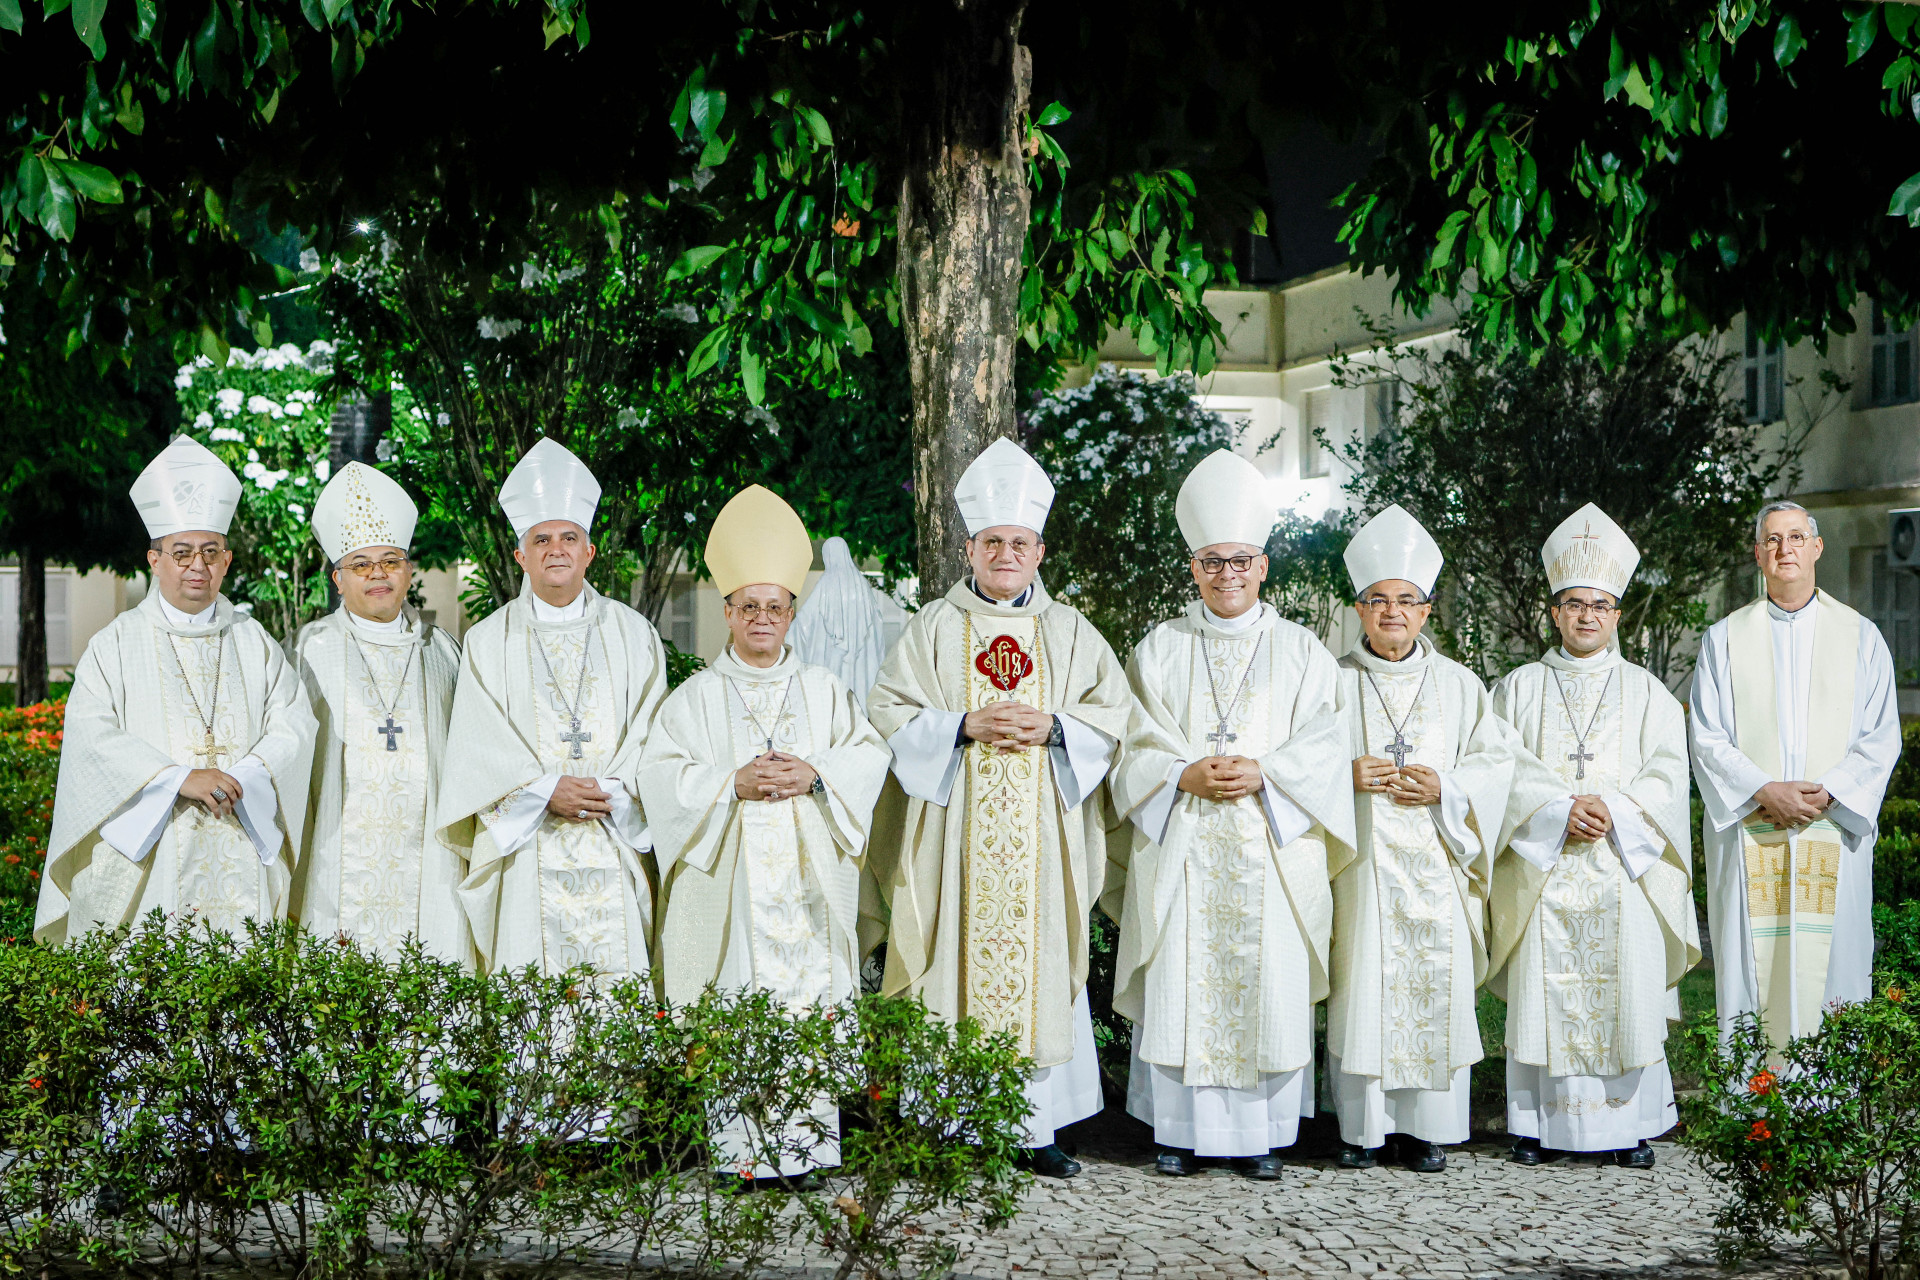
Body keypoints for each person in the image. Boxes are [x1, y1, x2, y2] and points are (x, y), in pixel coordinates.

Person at [866, 438, 1133, 1179]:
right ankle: (955, 1125)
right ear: (969, 548)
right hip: (955, 839)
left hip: (1041, 835)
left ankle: (1033, 1130)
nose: (1006, 553)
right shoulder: (930, 628)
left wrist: (1055, 728)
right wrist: (959, 725)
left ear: (1040, 551)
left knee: (1040, 963)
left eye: (1019, 542)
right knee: (953, 965)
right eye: (993, 542)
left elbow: (1115, 717)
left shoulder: (1072, 631)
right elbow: (887, 710)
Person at [1107, 450, 1357, 1180]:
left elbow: (1324, 744)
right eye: (1212, 562)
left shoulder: (1304, 652)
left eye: (1240, 560)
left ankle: (1261, 1137)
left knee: (1266, 981)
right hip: (1185, 842)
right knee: (1184, 978)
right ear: (1193, 568)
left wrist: (1266, 772)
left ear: (1263, 566)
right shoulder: (1160, 650)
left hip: (1269, 848)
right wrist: (1181, 771)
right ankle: (1177, 1134)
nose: (1227, 574)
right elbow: (1133, 745)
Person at [642, 486, 891, 1179]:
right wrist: (731, 783)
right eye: (746, 606)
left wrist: (814, 772)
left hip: (806, 889)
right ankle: (737, 1154)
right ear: (726, 612)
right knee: (737, 991)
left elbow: (868, 756)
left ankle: (806, 1152)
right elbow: (660, 776)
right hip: (734, 888)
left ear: (792, 614)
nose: (760, 618)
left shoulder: (824, 690)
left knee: (806, 996)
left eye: (773, 606)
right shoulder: (694, 698)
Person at [36, 437, 317, 944]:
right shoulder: (115, 644)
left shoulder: (254, 641)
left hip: (239, 839)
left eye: (210, 553)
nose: (197, 566)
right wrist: (176, 779)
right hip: (152, 858)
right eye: (182, 552)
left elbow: (294, 723)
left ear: (227, 562)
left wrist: (245, 775)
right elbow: (91, 736)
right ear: (154, 560)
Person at [1489, 504, 1699, 1169]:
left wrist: (1611, 810)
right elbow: (1501, 768)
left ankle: (1626, 1127)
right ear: (1554, 612)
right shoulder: (1517, 690)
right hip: (1546, 873)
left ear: (1617, 614)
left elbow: (1669, 772)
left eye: (1600, 605)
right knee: (1546, 989)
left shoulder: (1647, 694)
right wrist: (1555, 810)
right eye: (1574, 603)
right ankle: (1537, 1127)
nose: (1586, 615)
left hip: (1620, 870)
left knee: (1624, 987)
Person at [436, 438, 669, 978]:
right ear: (521, 555)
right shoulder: (488, 641)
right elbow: (477, 746)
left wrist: (609, 791)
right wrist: (545, 792)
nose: (556, 549)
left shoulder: (635, 635)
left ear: (590, 552)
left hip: (614, 837)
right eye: (541, 539)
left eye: (570, 537)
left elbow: (656, 733)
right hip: (528, 850)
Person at [1327, 504, 1515, 1173]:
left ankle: (1427, 1128)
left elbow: (1498, 769)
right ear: (1359, 608)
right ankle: (1363, 1130)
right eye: (1378, 600)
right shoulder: (1333, 682)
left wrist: (1447, 790)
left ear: (1428, 610)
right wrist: (1343, 774)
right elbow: (1299, 760)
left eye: (1406, 600)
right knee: (1365, 986)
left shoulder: (1460, 686)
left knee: (1433, 984)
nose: (1392, 613)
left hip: (1438, 863)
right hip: (1363, 867)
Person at [1690, 500, 1901, 1052]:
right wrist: (1763, 790)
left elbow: (1881, 737)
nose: (1785, 549)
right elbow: (1707, 737)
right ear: (1759, 555)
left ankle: (1826, 1112)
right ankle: (1753, 1110)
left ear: (1816, 548)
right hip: (1753, 827)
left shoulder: (1861, 637)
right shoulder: (1722, 640)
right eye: (1773, 541)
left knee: (1831, 970)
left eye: (1795, 538)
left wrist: (1829, 791)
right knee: (1753, 972)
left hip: (1830, 828)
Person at [292, 462, 470, 962]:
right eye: (361, 564)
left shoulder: (444, 652)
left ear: (409, 571)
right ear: (337, 577)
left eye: (390, 561)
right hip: (334, 856)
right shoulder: (310, 650)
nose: (377, 574)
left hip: (430, 863)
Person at [790, 536, 899, 710]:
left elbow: (805, 619)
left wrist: (787, 633)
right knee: (858, 697)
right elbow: (877, 623)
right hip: (861, 663)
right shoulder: (862, 586)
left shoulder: (826, 584)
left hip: (832, 660)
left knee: (833, 703)